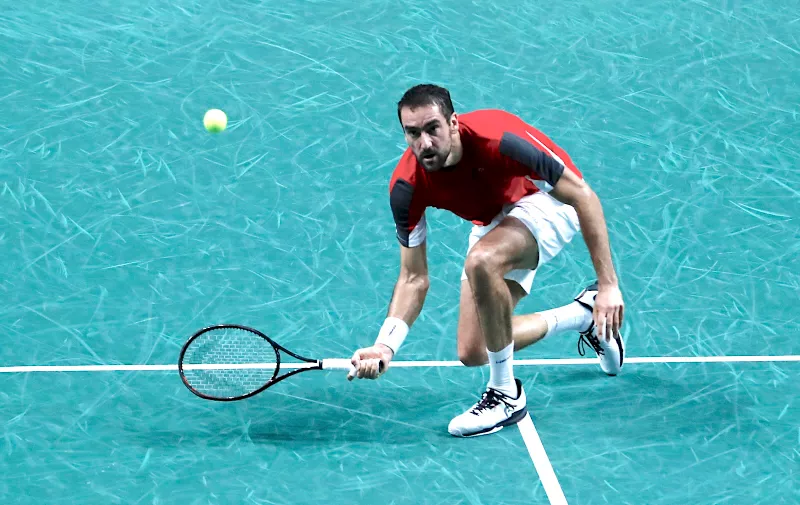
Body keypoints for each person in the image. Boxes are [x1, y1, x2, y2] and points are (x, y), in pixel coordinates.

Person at [348, 84, 626, 438]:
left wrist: (608, 285)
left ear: (453, 122)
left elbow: (583, 196)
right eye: (412, 133)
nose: (425, 143)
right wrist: (385, 344)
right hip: (495, 221)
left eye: (432, 128)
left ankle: (505, 394)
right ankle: (581, 315)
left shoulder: (501, 138)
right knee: (475, 349)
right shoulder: (407, 186)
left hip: (549, 203)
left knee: (481, 262)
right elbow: (413, 278)